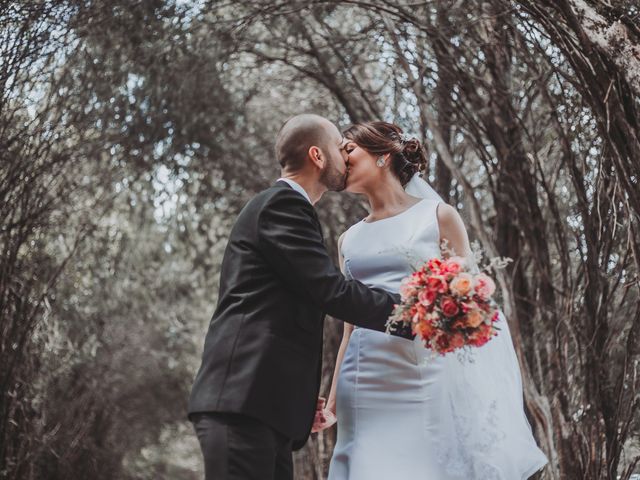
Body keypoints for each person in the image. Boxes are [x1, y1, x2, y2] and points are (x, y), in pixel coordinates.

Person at [316, 121, 548, 479]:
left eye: (349, 149)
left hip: (424, 373)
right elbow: (349, 326)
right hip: (363, 379)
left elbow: (472, 306)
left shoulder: (438, 217)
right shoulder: (348, 239)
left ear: (382, 155)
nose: (341, 159)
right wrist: (332, 401)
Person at [187, 114, 412, 480]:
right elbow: (330, 291)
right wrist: (415, 315)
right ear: (317, 156)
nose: (346, 157)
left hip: (264, 407)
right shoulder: (281, 206)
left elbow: (286, 314)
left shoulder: (288, 210)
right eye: (340, 148)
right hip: (242, 404)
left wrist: (302, 396)